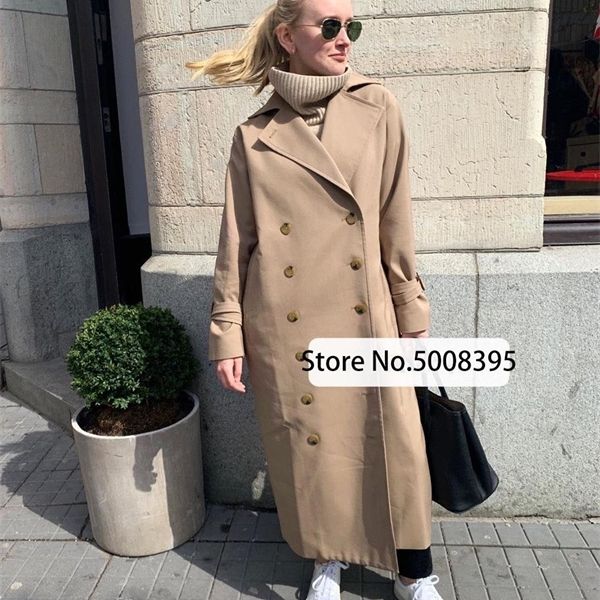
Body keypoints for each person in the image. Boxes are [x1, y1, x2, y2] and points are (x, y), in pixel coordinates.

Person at [186, 2, 443, 599]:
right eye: (329, 26)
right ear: (287, 36)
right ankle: (327, 558)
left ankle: (413, 570)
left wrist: (411, 308)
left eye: (351, 26)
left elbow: (395, 219)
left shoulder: (379, 107)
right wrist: (227, 330)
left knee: (396, 445)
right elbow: (237, 243)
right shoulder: (254, 136)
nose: (344, 38)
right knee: (312, 445)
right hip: (287, 319)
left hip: (366, 312)